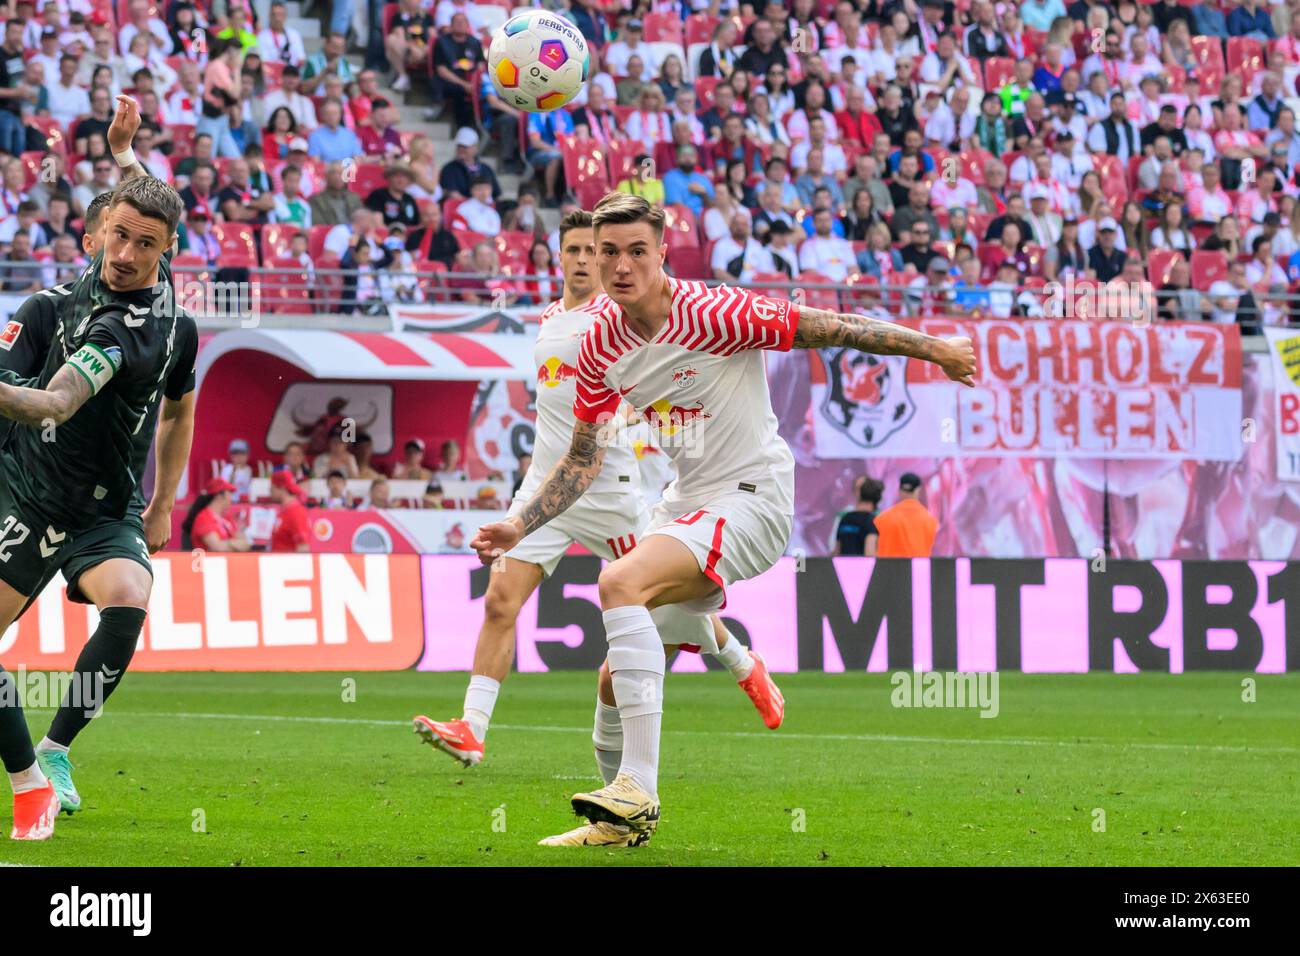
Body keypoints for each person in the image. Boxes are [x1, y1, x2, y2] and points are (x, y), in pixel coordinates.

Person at [470, 193, 975, 847]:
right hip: (685, 501)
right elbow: (582, 460)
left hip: (753, 497)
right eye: (606, 252)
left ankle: (638, 792)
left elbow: (836, 327)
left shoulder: (716, 311)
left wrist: (934, 348)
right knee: (614, 677)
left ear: (660, 254)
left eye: (635, 251)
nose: (620, 265)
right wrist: (523, 524)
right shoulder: (599, 347)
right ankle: (618, 823)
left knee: (619, 582)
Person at [415, 210, 784, 784]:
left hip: (610, 489)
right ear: (559, 258)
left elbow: (645, 383)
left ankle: (741, 660)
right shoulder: (547, 319)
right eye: (577, 252)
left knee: (660, 599)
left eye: (598, 251)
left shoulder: (616, 319)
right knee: (498, 602)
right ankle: (472, 730)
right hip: (546, 488)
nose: (590, 261)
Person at [873, 473, 939, 558]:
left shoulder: (882, 518)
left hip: (888, 568)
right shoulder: (931, 521)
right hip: (917, 569)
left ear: (900, 490)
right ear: (918, 490)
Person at [183, 478, 251, 551]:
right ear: (219, 495)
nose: (232, 498)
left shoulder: (226, 518)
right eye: (230, 493)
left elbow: (246, 543)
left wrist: (229, 544)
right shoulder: (203, 518)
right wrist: (234, 543)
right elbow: (217, 547)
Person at [834, 478, 883, 556]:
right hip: (862, 567)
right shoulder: (872, 521)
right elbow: (869, 554)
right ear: (877, 499)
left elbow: (836, 552)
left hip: (842, 566)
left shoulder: (845, 518)